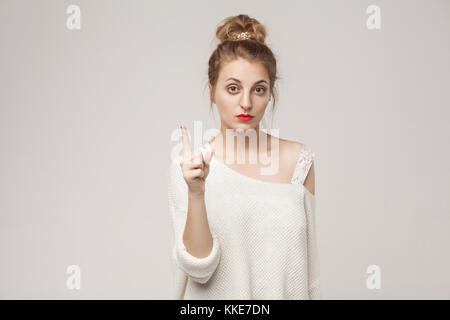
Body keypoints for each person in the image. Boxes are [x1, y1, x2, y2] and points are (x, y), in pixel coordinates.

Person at [167, 14, 321, 300]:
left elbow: (310, 277)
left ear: (270, 95)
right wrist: (197, 192)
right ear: (213, 92)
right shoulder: (189, 168)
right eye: (233, 88)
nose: (246, 102)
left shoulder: (299, 162)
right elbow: (199, 269)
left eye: (259, 89)